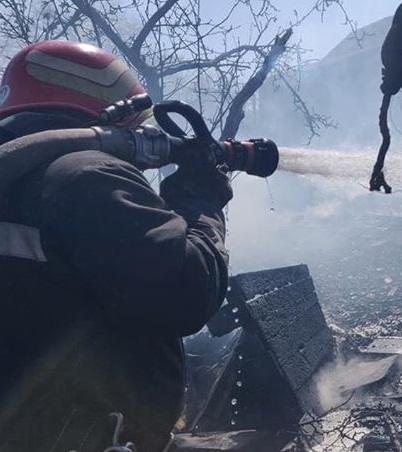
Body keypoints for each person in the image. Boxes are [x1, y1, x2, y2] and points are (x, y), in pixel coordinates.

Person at [0, 41, 232, 451]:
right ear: (108, 110)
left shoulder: (16, 178)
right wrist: (200, 202)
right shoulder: (84, 177)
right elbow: (186, 291)